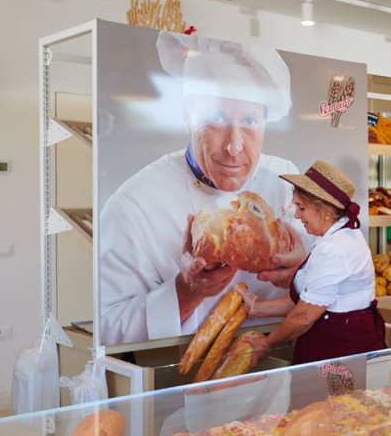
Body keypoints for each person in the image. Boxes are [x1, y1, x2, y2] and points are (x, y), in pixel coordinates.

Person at [99, 33, 305, 345]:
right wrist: (185, 291)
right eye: (216, 119)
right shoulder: (133, 205)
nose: (234, 147)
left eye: (250, 121)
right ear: (186, 114)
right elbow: (107, 328)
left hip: (281, 364)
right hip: (176, 377)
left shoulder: (286, 182)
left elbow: (335, 288)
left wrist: (303, 275)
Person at [236, 161, 385, 366]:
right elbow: (310, 298)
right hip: (339, 339)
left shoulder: (334, 248)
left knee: (334, 400)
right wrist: (257, 308)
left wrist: (266, 342)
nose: (296, 215)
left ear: (324, 210)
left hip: (341, 346)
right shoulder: (335, 236)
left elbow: (303, 316)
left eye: (301, 207)